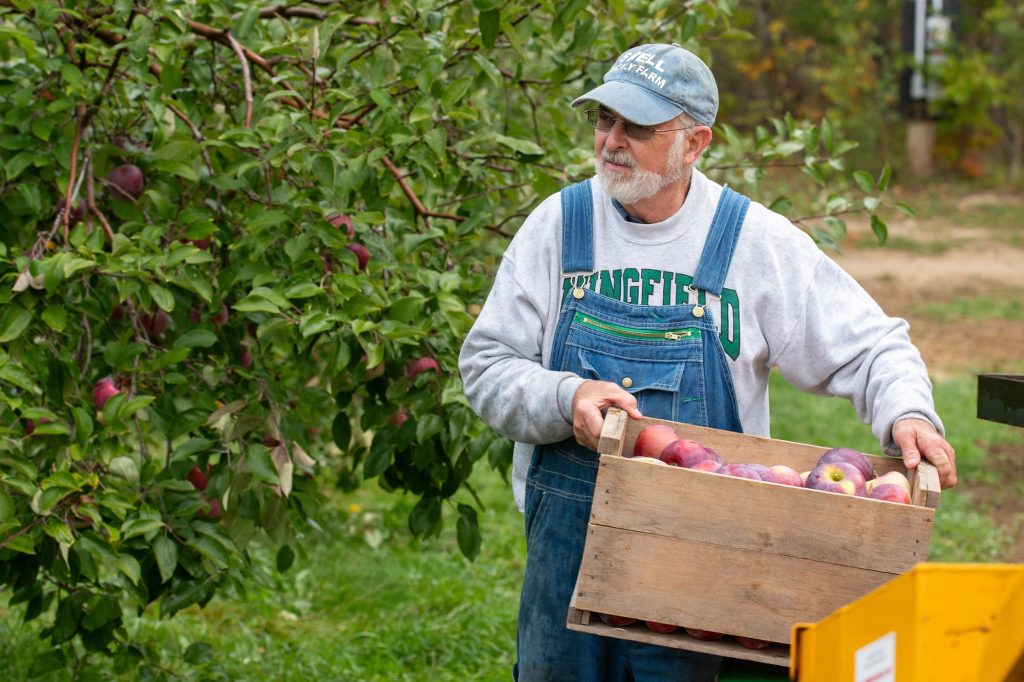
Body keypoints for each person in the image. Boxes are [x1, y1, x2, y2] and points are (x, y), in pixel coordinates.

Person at [458, 42, 957, 682]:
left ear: (695, 143)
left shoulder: (754, 242)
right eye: (603, 119)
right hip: (570, 562)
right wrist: (565, 397)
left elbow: (873, 346)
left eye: (636, 127)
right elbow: (487, 364)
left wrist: (909, 412)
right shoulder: (558, 226)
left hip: (710, 565)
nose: (611, 141)